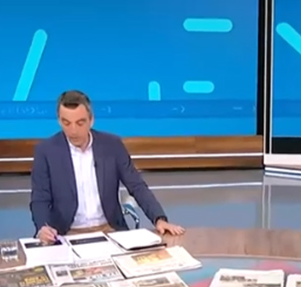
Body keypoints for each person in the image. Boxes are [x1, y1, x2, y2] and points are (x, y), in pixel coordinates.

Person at [30, 90, 185, 244]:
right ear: (59, 121)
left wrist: (159, 219)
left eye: (80, 123)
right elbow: (40, 198)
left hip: (110, 230)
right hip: (66, 234)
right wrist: (43, 227)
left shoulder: (112, 145)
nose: (73, 131)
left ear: (91, 120)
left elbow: (136, 185)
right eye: (66, 123)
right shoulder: (46, 151)